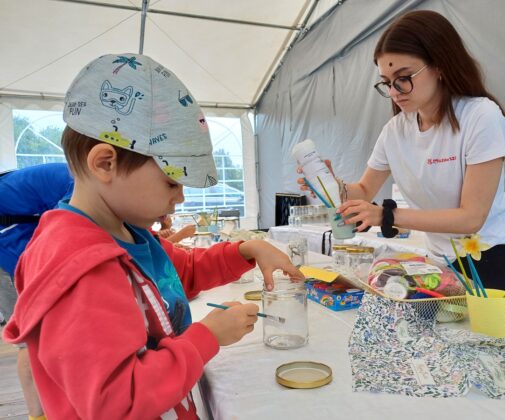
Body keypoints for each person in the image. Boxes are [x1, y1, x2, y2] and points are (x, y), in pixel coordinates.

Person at [3, 53, 304, 419]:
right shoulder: (81, 268)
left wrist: (245, 250)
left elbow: (181, 273)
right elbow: (118, 402)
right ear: (104, 163)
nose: (180, 196)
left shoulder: (126, 232)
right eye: (171, 181)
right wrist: (206, 337)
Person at [298, 10, 505, 306]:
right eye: (386, 82)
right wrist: (331, 185)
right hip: (441, 265)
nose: (394, 92)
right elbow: (364, 191)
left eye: (403, 78)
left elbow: (472, 217)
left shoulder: (480, 117)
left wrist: (387, 215)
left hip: (493, 263)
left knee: (497, 350)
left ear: (440, 66)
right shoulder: (396, 130)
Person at [0, 162, 74, 420]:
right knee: (30, 341)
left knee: (43, 338)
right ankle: (39, 415)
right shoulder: (79, 184)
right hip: (10, 255)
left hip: (17, 248)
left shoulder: (80, 178)